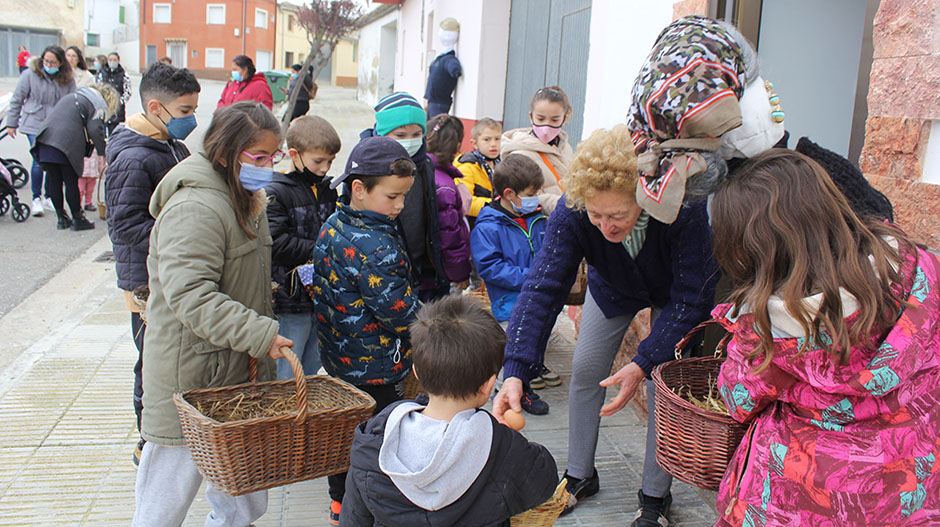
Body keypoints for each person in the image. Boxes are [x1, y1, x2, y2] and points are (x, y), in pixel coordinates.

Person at [491, 125, 719, 526]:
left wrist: (645, 361)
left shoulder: (683, 206)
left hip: (674, 295)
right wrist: (516, 369)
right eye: (596, 216)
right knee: (587, 370)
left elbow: (694, 296)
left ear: (644, 199)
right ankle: (580, 473)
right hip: (612, 286)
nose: (605, 227)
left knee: (660, 385)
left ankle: (654, 496)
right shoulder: (573, 209)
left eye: (617, 215)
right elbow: (544, 285)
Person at [709, 149, 940, 526]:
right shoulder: (923, 272)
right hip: (911, 489)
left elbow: (738, 400)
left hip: (801, 499)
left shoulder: (769, 329)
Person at [133, 102, 292, 526]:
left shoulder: (245, 196)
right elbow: (191, 296)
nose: (267, 166)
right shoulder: (196, 208)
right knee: (164, 502)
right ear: (224, 152)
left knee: (244, 499)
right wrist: (261, 334)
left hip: (236, 375)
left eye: (272, 156)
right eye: (257, 157)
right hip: (191, 379)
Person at [340, 295, 560, 526]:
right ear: (488, 386)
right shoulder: (500, 446)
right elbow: (544, 480)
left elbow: (354, 516)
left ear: (416, 372)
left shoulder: (377, 433)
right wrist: (506, 435)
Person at [309, 135, 421, 525]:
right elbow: (401, 313)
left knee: (344, 438)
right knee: (379, 444)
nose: (400, 206)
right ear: (359, 189)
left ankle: (339, 506)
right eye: (392, 197)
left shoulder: (334, 222)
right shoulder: (377, 245)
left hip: (338, 358)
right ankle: (373, 512)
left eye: (404, 196)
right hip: (377, 367)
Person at [104, 61, 200, 466]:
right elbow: (125, 225)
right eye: (184, 112)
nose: (191, 120)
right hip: (147, 281)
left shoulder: (169, 144)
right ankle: (149, 441)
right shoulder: (134, 157)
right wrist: (179, 239)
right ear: (156, 107)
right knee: (152, 361)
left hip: (172, 271)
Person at [266, 115, 341, 380]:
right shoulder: (277, 192)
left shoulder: (328, 189)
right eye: (318, 161)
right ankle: (285, 414)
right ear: (294, 154)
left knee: (312, 362)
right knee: (289, 364)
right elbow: (277, 243)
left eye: (330, 162)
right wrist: (322, 248)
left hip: (320, 295)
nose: (324, 168)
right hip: (289, 296)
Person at [360, 92, 448, 301]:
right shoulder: (366, 166)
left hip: (416, 262)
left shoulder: (425, 164)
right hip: (378, 264)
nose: (410, 141)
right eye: (400, 135)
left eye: (417, 134)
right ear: (381, 133)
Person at [470, 154, 546, 324]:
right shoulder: (488, 227)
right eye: (530, 194)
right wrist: (533, 277)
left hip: (541, 304)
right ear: (509, 194)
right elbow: (490, 267)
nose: (535, 198)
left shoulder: (538, 219)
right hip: (509, 308)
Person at [30, 83, 116, 231]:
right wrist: (104, 152)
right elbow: (95, 130)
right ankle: (78, 218)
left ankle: (61, 219)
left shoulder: (72, 96)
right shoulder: (97, 103)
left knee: (54, 180)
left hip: (45, 140)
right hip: (66, 144)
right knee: (71, 182)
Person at [5, 45, 75, 218]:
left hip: (55, 125)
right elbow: (17, 99)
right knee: (39, 160)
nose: (49, 65)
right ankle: (36, 198)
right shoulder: (30, 75)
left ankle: (49, 196)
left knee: (52, 162)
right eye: (46, 61)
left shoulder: (67, 78)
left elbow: (72, 103)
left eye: (53, 62)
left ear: (60, 63)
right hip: (34, 123)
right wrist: (11, 123)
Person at [501, 86, 574, 216]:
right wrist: (568, 206)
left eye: (554, 120)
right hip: (542, 223)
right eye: (540, 119)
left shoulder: (565, 147)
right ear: (531, 116)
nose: (546, 126)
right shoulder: (519, 153)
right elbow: (527, 197)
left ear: (565, 118)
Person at [426, 114, 471, 292]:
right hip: (439, 274)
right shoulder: (444, 186)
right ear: (457, 145)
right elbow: (449, 236)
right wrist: (460, 273)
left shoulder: (426, 170)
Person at [455, 117, 501, 227]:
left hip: (496, 221)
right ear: (474, 144)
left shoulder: (502, 163)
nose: (493, 144)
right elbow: (465, 203)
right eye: (487, 140)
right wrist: (495, 206)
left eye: (497, 139)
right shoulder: (467, 166)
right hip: (475, 224)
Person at [424, 17, 462, 118]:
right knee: (430, 128)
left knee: (436, 129)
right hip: (433, 102)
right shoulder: (440, 59)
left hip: (440, 103)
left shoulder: (448, 59)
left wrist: (455, 70)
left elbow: (453, 66)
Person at [96, 52, 132, 133]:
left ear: (118, 61)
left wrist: (118, 103)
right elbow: (97, 89)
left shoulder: (124, 75)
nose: (112, 62)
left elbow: (128, 92)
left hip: (118, 112)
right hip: (104, 109)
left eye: (114, 60)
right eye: (110, 60)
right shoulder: (101, 74)